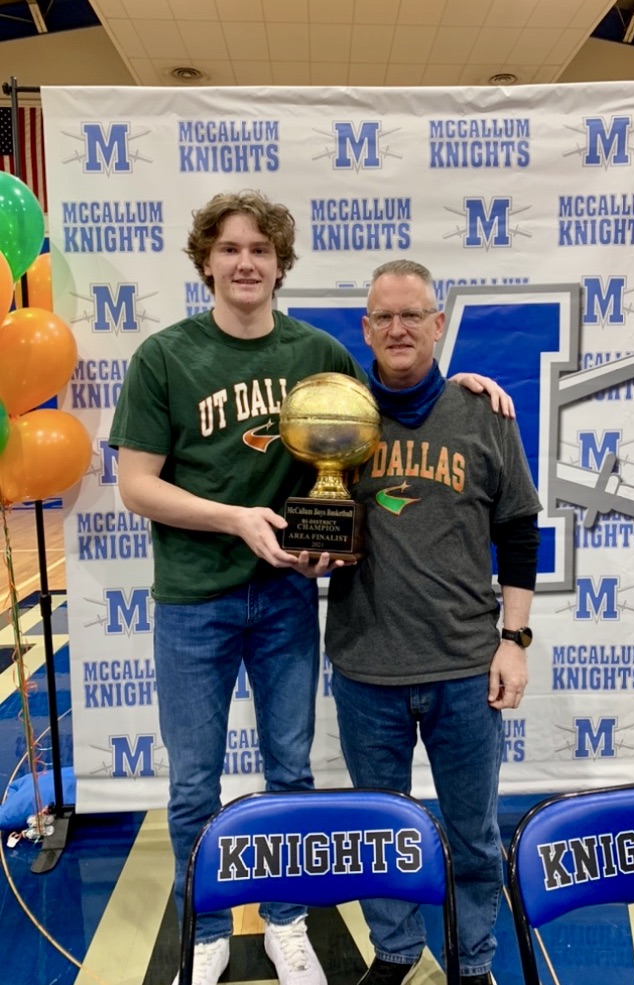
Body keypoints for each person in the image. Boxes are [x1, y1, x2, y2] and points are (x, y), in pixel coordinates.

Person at [109, 191, 514, 985]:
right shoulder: (164, 355)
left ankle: (287, 919)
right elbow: (135, 485)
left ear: (280, 264)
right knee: (192, 783)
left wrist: (462, 386)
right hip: (193, 599)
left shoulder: (318, 354)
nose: (245, 262)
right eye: (230, 249)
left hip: (286, 598)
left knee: (290, 774)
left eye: (260, 249)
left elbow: (390, 405)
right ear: (206, 262)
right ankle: (207, 926)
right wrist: (235, 519)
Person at [322, 260, 542, 985]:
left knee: (473, 834)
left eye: (412, 314)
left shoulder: (484, 413)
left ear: (438, 324)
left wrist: (514, 641)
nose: (398, 328)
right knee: (381, 832)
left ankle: (472, 960)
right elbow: (317, 522)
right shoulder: (336, 418)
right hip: (367, 665)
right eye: (384, 317)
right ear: (365, 329)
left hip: (464, 666)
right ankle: (396, 951)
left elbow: (518, 531)